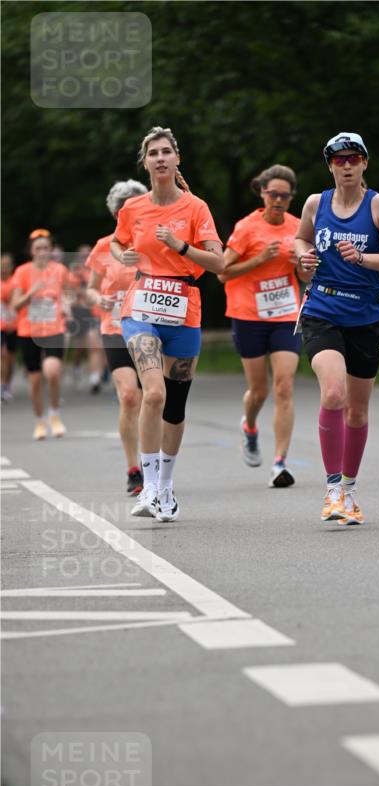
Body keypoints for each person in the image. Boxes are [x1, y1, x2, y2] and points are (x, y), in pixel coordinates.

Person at [294, 132, 379, 524]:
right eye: (338, 160)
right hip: (322, 307)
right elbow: (299, 241)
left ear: (364, 164)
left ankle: (349, 489)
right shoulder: (315, 203)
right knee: (333, 393)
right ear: (329, 166)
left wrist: (362, 258)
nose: (346, 166)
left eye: (353, 159)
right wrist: (303, 260)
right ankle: (331, 490)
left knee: (357, 411)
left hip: (366, 316)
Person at [110, 126, 224, 521]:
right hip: (140, 307)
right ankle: (150, 486)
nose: (159, 158)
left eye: (166, 152)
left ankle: (167, 487)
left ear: (177, 159)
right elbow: (116, 240)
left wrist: (180, 246)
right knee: (152, 393)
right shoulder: (134, 208)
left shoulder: (196, 208)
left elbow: (219, 262)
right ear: (145, 163)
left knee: (175, 405)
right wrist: (122, 255)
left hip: (184, 309)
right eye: (152, 153)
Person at [218, 165, 310, 487]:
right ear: (262, 193)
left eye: (285, 196)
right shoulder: (246, 229)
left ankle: (280, 462)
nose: (279, 201)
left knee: (284, 386)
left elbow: (306, 277)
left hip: (285, 313)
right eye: (274, 194)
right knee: (258, 391)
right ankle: (250, 426)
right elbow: (222, 273)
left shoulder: (298, 227)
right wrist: (258, 260)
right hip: (248, 315)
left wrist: (302, 265)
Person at [86, 179, 148, 496]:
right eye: (124, 209)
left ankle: (157, 465)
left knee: (154, 398)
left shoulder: (154, 241)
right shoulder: (102, 247)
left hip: (151, 327)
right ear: (116, 215)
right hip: (115, 328)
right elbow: (91, 287)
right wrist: (99, 299)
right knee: (128, 396)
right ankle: (133, 470)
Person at [9, 229, 74, 440]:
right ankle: (40, 421)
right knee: (35, 380)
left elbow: (69, 294)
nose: (42, 252)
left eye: (46, 248)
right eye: (38, 248)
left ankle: (55, 415)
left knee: (53, 372)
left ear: (51, 250)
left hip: (54, 328)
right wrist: (31, 292)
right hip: (29, 331)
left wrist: (67, 305)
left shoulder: (60, 270)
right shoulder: (22, 272)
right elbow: (15, 305)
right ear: (31, 251)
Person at [68, 245, 105, 393]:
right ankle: (77, 366)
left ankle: (96, 377)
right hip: (80, 313)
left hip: (97, 313)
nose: (85, 257)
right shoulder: (74, 273)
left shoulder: (98, 270)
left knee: (97, 346)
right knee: (80, 347)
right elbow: (70, 293)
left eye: (87, 254)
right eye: (82, 255)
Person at [1, 253, 18, 401]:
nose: (4, 268)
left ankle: (7, 384)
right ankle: (2, 385)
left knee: (10, 357)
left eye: (7, 265)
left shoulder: (15, 282)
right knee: (3, 354)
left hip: (13, 325)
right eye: (2, 265)